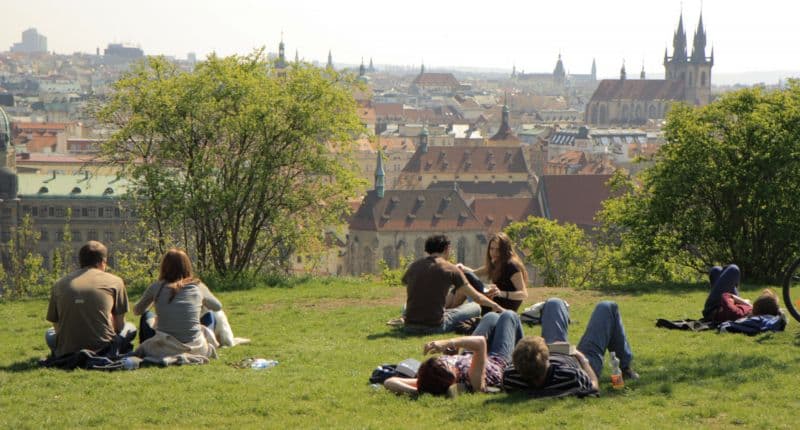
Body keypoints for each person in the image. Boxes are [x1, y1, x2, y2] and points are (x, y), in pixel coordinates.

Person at [503, 298, 638, 395]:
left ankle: (625, 367)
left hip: (556, 354)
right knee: (607, 307)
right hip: (578, 362)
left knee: (554, 302)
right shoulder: (572, 376)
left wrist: (550, 348)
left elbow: (523, 362)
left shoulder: (510, 377)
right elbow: (594, 386)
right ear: (546, 359)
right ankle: (624, 367)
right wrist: (579, 356)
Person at [384, 310, 524, 395]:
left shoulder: (429, 381)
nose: (446, 359)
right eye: (446, 363)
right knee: (509, 316)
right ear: (452, 376)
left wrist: (419, 391)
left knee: (491, 316)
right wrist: (449, 342)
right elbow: (480, 343)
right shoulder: (473, 378)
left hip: (469, 354)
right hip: (496, 360)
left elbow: (390, 382)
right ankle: (525, 355)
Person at [45, 241, 136, 358]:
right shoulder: (115, 281)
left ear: (80, 261)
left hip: (67, 350)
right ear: (103, 262)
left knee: (49, 333)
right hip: (103, 349)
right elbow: (120, 325)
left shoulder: (59, 284)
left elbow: (56, 326)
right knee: (131, 328)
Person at [401, 234, 504, 334]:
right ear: (447, 248)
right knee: (475, 307)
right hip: (435, 326)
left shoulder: (413, 266)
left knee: (406, 306)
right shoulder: (450, 269)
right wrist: (497, 307)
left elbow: (405, 282)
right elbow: (477, 297)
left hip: (409, 326)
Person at [133, 249, 222, 358]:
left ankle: (149, 347)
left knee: (147, 315)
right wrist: (201, 300)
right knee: (210, 315)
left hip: (164, 348)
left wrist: (154, 301)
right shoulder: (198, 286)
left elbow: (137, 310)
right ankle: (209, 341)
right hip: (196, 348)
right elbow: (217, 306)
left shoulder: (156, 287)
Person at [457, 232, 529, 312]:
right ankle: (447, 310)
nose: (494, 253)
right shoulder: (496, 262)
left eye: (498, 249)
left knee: (465, 280)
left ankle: (446, 312)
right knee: (465, 278)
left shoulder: (512, 266)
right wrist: (461, 268)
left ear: (505, 250)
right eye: (491, 249)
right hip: (493, 301)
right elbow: (475, 273)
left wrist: (501, 293)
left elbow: (524, 294)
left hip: (503, 308)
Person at [702, 264, 781, 323]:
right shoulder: (753, 311)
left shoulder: (738, 313)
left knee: (733, 269)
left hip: (713, 309)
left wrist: (745, 302)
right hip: (730, 303)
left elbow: (726, 296)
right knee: (716, 270)